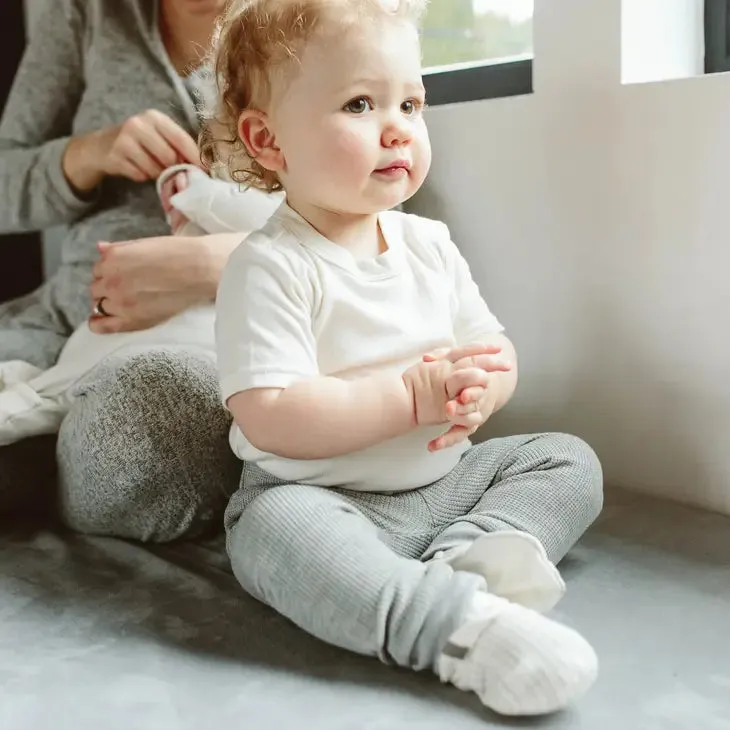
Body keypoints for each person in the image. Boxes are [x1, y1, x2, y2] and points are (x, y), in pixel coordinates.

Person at [209, 0, 604, 718]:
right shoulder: (269, 266)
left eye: (412, 103)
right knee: (274, 536)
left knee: (567, 459)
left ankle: (470, 558)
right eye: (360, 103)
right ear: (268, 141)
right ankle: (456, 631)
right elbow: (270, 416)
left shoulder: (430, 245)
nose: (399, 126)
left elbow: (492, 348)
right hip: (323, 497)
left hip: (445, 485)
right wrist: (410, 401)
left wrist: (483, 388)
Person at [0, 0, 243, 539]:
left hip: (202, 346)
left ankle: (53, 460)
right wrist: (87, 155)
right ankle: (50, 447)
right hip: (55, 325)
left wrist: (216, 263)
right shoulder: (86, 14)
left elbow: (369, 216)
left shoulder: (315, 15)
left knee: (154, 421)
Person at [0, 164, 282, 447]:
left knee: (67, 392)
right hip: (91, 325)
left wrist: (189, 184)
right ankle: (34, 391)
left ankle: (32, 396)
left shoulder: (292, 212)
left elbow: (210, 200)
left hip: (161, 349)